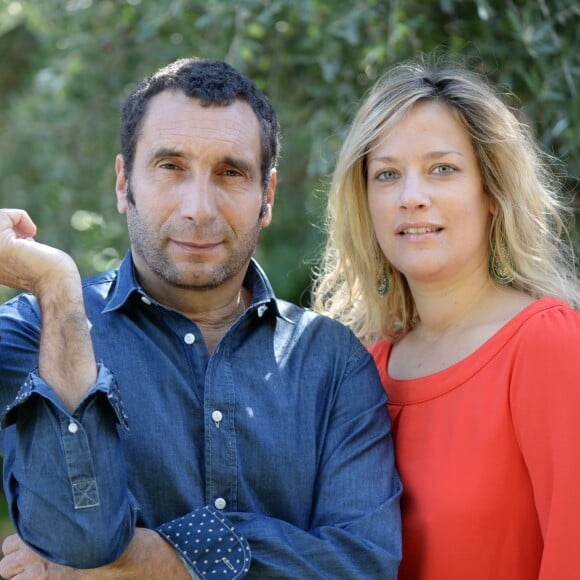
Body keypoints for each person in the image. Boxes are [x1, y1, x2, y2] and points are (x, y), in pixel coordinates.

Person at [0, 57, 402, 578]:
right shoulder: (34, 332)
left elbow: (363, 565)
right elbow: (82, 538)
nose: (200, 209)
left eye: (230, 173)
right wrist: (54, 283)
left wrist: (151, 560)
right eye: (171, 167)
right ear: (124, 183)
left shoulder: (330, 362)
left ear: (267, 196)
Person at [313, 54, 580, 580]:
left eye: (443, 169)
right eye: (387, 175)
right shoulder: (363, 365)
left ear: (491, 195)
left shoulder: (547, 345)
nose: (412, 198)